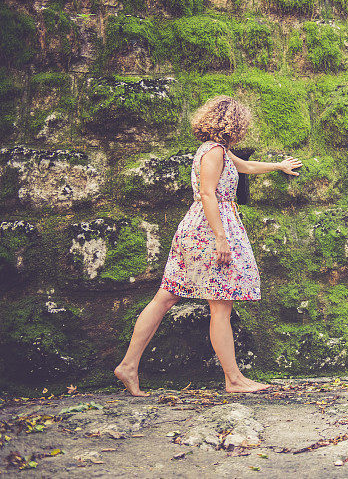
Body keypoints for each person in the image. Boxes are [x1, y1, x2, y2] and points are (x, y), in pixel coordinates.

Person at [114, 95, 302, 396]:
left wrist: (279, 165)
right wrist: (221, 238)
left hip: (195, 230)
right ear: (234, 124)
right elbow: (207, 194)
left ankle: (128, 366)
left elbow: (247, 167)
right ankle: (235, 380)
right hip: (208, 231)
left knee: (166, 297)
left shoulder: (218, 151)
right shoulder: (214, 153)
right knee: (220, 304)